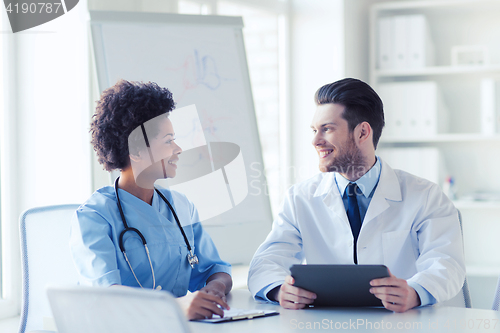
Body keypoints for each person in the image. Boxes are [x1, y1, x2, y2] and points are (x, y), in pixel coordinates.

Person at [247, 78, 465, 313]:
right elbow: (265, 262)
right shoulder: (300, 198)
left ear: (362, 132)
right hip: (323, 325)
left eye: (327, 129)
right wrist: (280, 290)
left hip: (400, 323)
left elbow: (447, 263)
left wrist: (415, 292)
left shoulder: (425, 196)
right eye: (314, 130)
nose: (315, 140)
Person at [70, 80, 232, 320]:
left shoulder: (181, 207)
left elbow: (215, 269)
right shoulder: (94, 217)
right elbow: (105, 296)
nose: (177, 149)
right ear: (135, 150)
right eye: (168, 140)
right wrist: (175, 308)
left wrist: (213, 290)